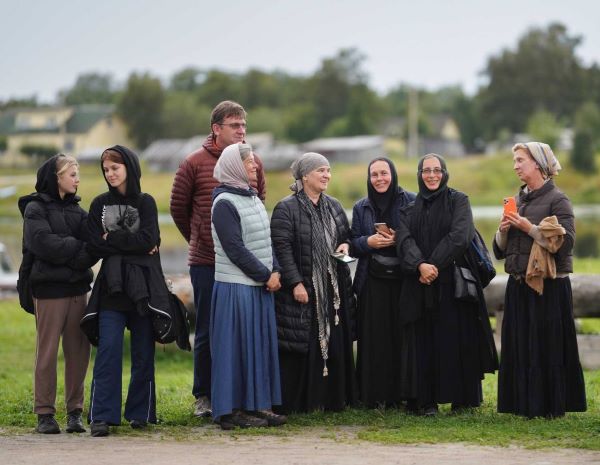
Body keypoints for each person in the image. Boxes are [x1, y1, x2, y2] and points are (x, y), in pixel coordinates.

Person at [170, 100, 266, 418]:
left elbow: (258, 204)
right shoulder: (193, 163)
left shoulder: (253, 162)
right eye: (234, 126)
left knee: (242, 327)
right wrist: (201, 240)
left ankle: (240, 394)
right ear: (216, 129)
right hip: (207, 262)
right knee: (209, 329)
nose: (241, 131)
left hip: (245, 263)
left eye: (244, 126)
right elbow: (178, 210)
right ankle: (205, 395)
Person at [395, 153, 497, 416]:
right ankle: (426, 401)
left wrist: (433, 266)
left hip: (453, 285)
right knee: (424, 343)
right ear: (419, 175)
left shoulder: (459, 201)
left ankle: (461, 400)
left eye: (436, 170)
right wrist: (420, 266)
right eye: (426, 170)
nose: (431, 175)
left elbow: (460, 237)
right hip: (419, 285)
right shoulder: (407, 209)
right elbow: (404, 241)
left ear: (445, 173)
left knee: (455, 341)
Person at [494, 142, 586, 419]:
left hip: (550, 286)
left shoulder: (559, 200)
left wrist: (528, 227)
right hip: (519, 284)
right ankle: (523, 405)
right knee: (521, 346)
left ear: (537, 163)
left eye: (521, 160)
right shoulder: (518, 199)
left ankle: (550, 408)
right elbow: (500, 250)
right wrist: (503, 230)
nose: (516, 166)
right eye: (515, 161)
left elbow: (566, 243)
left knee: (548, 347)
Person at [81, 145, 161, 437]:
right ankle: (102, 416)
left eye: (115, 168)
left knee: (143, 354)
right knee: (109, 351)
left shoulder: (146, 202)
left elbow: (151, 239)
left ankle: (140, 413)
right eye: (106, 170)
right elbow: (93, 244)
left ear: (129, 166)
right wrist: (133, 242)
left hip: (141, 290)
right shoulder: (98, 203)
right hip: (111, 290)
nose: (110, 174)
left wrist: (111, 238)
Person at [271, 152, 357, 413]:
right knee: (302, 345)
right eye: (320, 170)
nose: (326, 175)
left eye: (328, 170)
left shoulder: (334, 205)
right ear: (305, 175)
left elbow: (347, 236)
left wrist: (346, 244)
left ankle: (333, 400)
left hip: (333, 289)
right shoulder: (286, 208)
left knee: (334, 343)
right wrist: (295, 282)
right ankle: (302, 402)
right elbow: (281, 250)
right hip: (303, 290)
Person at [210, 143, 285, 430]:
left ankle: (257, 404)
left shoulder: (251, 197)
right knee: (236, 349)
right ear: (234, 165)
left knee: (258, 347)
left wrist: (275, 269)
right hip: (236, 288)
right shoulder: (224, 203)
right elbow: (234, 248)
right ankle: (231, 410)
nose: (255, 166)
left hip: (258, 285)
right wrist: (266, 275)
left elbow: (266, 240)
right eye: (249, 162)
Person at [18, 154, 95, 434]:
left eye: (77, 175)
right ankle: (45, 414)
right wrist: (76, 249)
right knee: (47, 352)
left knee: (78, 352)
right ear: (57, 178)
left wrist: (74, 254)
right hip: (48, 291)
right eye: (72, 174)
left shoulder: (79, 212)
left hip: (77, 290)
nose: (77, 179)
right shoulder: (35, 208)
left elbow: (92, 247)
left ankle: (75, 412)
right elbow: (42, 243)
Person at [350, 157, 415, 408]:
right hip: (372, 280)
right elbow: (353, 243)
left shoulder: (411, 201)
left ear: (393, 174)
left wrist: (400, 239)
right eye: (374, 174)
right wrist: (369, 242)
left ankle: (405, 394)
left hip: (404, 279)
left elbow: (421, 237)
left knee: (403, 337)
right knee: (374, 339)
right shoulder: (361, 206)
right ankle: (373, 395)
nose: (379, 179)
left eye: (384, 173)